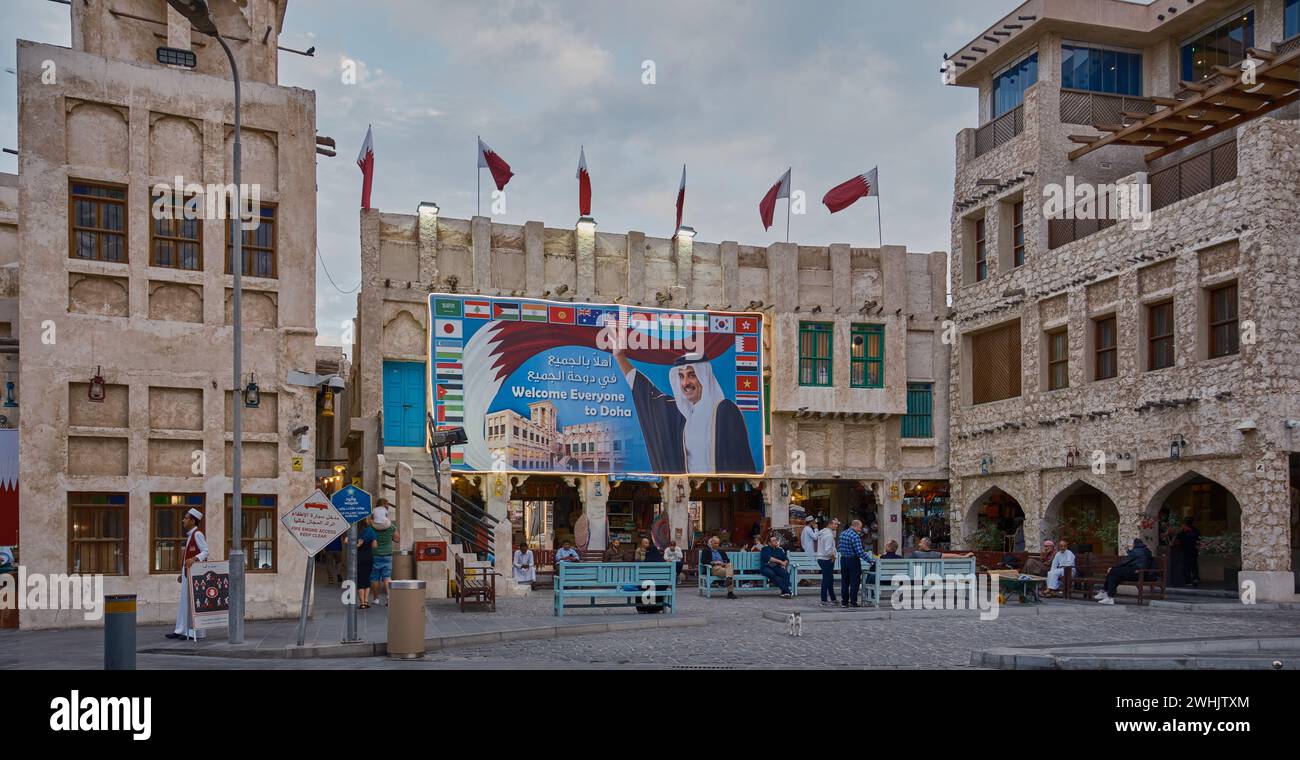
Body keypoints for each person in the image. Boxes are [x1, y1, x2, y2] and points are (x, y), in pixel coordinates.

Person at [611, 348, 757, 473]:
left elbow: (740, 462)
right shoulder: (682, 418)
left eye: (692, 375)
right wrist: (619, 357)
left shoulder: (725, 411)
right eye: (681, 376)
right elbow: (646, 393)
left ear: (704, 377)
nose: (685, 383)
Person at [167, 507, 208, 640]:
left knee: (192, 604)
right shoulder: (191, 535)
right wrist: (181, 573)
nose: (183, 520)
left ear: (193, 521)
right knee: (184, 603)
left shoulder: (197, 534)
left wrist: (195, 558)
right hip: (187, 574)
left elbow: (205, 551)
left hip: (194, 575)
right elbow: (187, 557)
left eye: (186, 518)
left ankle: (191, 631)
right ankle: (181, 630)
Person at [1096, 539, 1153, 604]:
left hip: (1136, 573)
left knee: (1113, 571)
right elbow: (1138, 558)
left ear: (1134, 544)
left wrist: (1113, 567)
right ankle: (1108, 595)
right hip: (1142, 574)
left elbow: (1125, 562)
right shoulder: (1147, 551)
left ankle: (1107, 594)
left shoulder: (1135, 551)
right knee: (1114, 576)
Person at [837, 519, 873, 608]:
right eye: (859, 528)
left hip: (843, 559)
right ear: (855, 526)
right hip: (853, 560)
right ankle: (853, 602)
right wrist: (869, 560)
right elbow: (859, 552)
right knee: (854, 582)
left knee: (845, 582)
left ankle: (844, 602)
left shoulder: (843, 534)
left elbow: (839, 547)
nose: (860, 530)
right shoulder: (855, 536)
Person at [370, 510, 399, 607]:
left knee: (375, 577)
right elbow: (397, 539)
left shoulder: (371, 528)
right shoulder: (392, 527)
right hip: (387, 555)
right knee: (387, 577)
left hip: (375, 554)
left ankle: (376, 599)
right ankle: (389, 597)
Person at [759, 533, 793, 598]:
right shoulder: (765, 549)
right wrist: (780, 562)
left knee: (786, 574)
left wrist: (785, 563)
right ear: (769, 543)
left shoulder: (779, 550)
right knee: (773, 574)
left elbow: (786, 559)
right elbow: (769, 558)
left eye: (776, 540)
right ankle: (787, 591)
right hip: (766, 567)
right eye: (773, 540)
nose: (776, 541)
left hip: (776, 567)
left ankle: (784, 593)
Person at [815, 517, 839, 606]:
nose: (836, 526)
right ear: (829, 524)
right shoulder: (828, 535)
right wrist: (832, 556)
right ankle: (824, 600)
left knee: (829, 579)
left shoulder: (823, 533)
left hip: (821, 558)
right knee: (826, 579)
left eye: (837, 524)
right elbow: (828, 549)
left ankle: (833, 598)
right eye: (835, 524)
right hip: (826, 559)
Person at [1180, 516, 1201, 588]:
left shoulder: (1194, 530)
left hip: (1191, 550)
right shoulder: (1184, 531)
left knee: (1191, 565)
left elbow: (1198, 538)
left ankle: (1193, 579)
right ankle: (1190, 579)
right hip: (1188, 550)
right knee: (1190, 565)